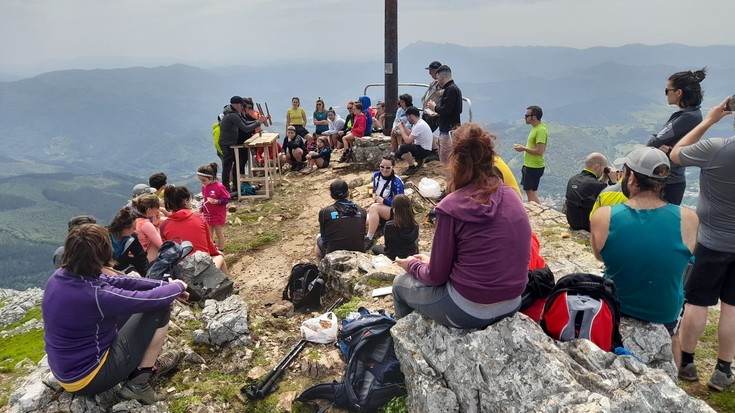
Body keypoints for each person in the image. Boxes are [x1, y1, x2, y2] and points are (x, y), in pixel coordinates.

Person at [392, 123, 531, 328]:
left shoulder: (451, 207)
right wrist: (431, 262)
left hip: (469, 308)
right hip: (513, 302)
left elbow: (436, 276)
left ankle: (405, 340)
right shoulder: (511, 196)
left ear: (455, 161)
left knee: (399, 286)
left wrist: (413, 265)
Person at [42, 223, 187, 404]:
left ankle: (138, 367)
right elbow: (149, 300)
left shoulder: (60, 276)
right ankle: (139, 384)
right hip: (89, 378)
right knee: (159, 309)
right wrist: (179, 286)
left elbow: (121, 282)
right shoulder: (95, 294)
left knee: (136, 309)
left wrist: (164, 286)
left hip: (66, 370)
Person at [590, 146, 698, 367]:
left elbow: (601, 257)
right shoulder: (688, 218)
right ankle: (675, 377)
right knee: (674, 337)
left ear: (632, 179)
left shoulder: (604, 216)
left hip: (618, 307)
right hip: (664, 312)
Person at [670, 96, 735, 391]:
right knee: (732, 307)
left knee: (697, 302)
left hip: (710, 241)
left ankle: (687, 363)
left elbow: (676, 154)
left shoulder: (716, 148)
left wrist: (709, 120)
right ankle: (723, 371)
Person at [647, 68, 706, 205]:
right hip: (672, 180)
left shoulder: (687, 117)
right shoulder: (693, 114)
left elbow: (653, 143)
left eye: (667, 90)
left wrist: (654, 144)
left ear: (679, 93)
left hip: (668, 182)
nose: (666, 94)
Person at [159, 186, 228, 274]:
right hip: (203, 266)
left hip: (180, 270)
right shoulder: (199, 217)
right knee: (220, 257)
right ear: (186, 201)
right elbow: (209, 243)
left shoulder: (164, 225)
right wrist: (216, 252)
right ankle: (229, 286)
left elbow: (166, 251)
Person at [219, 96, 267, 191]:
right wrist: (258, 123)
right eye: (241, 105)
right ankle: (226, 189)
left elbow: (245, 122)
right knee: (227, 166)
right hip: (227, 143)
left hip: (230, 143)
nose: (242, 108)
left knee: (235, 164)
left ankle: (235, 187)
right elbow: (245, 128)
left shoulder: (234, 114)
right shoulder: (232, 115)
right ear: (236, 104)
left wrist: (258, 121)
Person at [315, 180, 367, 261]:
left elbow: (324, 237)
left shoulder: (325, 212)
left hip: (334, 255)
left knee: (318, 237)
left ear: (331, 195)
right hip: (359, 251)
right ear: (348, 192)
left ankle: (321, 268)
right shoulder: (362, 211)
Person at [564, 153, 618, 231]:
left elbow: (591, 188)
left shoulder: (573, 179)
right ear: (597, 167)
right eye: (605, 168)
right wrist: (614, 182)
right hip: (587, 226)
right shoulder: (597, 185)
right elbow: (614, 200)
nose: (604, 171)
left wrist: (604, 179)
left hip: (572, 223)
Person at [365, 155, 405, 249]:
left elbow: (400, 204)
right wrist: (372, 195)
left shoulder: (396, 182)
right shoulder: (376, 176)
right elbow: (372, 188)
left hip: (395, 212)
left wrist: (384, 200)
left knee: (374, 208)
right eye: (382, 167)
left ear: (393, 167)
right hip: (381, 208)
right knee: (362, 218)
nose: (384, 170)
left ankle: (369, 238)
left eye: (388, 168)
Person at [426, 65, 462, 164]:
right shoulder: (454, 89)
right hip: (451, 127)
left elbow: (446, 110)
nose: (437, 81)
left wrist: (434, 107)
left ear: (442, 78)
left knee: (445, 158)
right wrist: (437, 114)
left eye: (438, 79)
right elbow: (456, 110)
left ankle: (450, 179)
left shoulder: (450, 90)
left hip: (448, 129)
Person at [514, 105, 548, 203]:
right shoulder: (535, 128)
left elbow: (539, 151)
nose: (525, 118)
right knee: (529, 191)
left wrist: (523, 148)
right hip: (529, 165)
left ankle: (537, 214)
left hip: (534, 166)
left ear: (533, 117)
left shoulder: (541, 130)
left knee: (531, 192)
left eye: (526, 115)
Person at [371, 195, 419, 261]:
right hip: (411, 254)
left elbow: (388, 245)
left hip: (394, 256)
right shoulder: (415, 224)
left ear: (394, 209)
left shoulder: (389, 226)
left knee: (374, 248)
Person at [197, 162, 231, 251]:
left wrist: (218, 201)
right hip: (208, 213)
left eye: (204, 180)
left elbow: (227, 198)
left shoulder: (219, 187)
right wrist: (202, 208)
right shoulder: (204, 187)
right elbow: (205, 200)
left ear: (211, 178)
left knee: (219, 232)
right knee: (209, 233)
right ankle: (211, 248)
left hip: (218, 213)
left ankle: (221, 248)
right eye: (201, 180)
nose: (202, 182)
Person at [108, 207, 148, 275]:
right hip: (105, 272)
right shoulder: (104, 237)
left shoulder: (132, 238)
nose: (135, 229)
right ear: (124, 230)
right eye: (133, 227)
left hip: (121, 271)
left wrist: (148, 276)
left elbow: (141, 258)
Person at [396, 106, 434, 175]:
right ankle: (419, 160)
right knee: (398, 153)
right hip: (422, 148)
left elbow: (408, 141)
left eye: (407, 117)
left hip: (424, 150)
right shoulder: (418, 123)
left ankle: (412, 167)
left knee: (403, 148)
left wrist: (401, 129)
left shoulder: (419, 125)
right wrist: (404, 126)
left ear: (411, 116)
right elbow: (411, 133)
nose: (407, 119)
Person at [131, 194, 164, 263]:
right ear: (149, 209)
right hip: (140, 260)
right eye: (157, 207)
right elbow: (161, 245)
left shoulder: (135, 220)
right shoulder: (146, 224)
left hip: (131, 256)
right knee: (155, 245)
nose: (158, 210)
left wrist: (155, 224)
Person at [421, 60, 442, 132]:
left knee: (426, 131)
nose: (429, 73)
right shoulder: (433, 82)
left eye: (431, 71)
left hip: (433, 113)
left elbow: (450, 90)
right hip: (426, 111)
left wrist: (442, 92)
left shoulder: (443, 83)